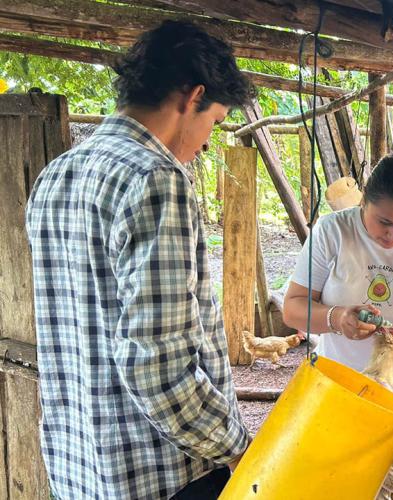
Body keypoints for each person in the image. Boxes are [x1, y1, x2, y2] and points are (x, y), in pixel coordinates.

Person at [26, 21, 254, 499]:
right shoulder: (156, 179)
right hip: (160, 474)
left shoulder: (55, 176)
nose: (209, 140)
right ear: (192, 98)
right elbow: (159, 368)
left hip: (80, 464)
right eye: (214, 120)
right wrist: (238, 448)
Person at [283, 152, 393, 499]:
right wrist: (337, 319)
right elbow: (293, 309)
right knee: (333, 486)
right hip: (336, 389)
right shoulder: (333, 232)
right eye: (384, 223)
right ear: (364, 201)